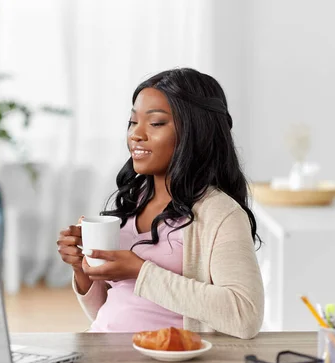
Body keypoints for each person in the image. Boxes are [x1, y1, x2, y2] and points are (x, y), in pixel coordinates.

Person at [57, 68, 264, 339]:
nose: (136, 135)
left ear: (195, 131)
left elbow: (245, 315)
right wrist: (82, 268)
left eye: (155, 123)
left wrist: (140, 270)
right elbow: (114, 311)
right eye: (133, 122)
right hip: (103, 352)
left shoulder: (220, 214)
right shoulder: (135, 201)